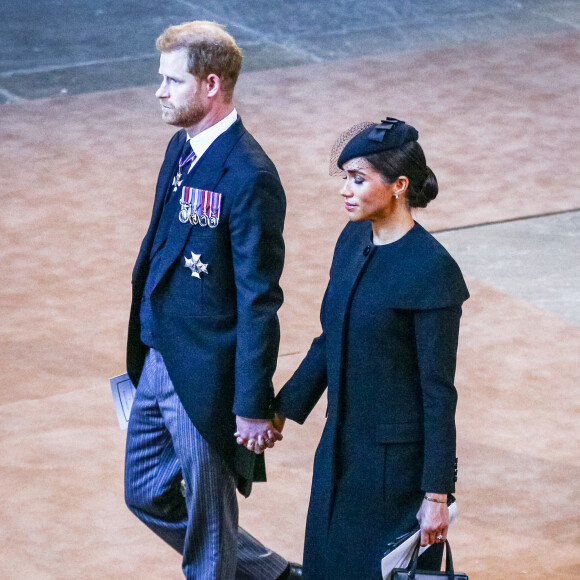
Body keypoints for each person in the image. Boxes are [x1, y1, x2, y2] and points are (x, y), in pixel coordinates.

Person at [124, 20, 301, 579]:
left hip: (205, 376)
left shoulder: (249, 175)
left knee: (208, 531)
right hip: (158, 358)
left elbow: (259, 299)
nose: (159, 91)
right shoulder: (183, 147)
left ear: (211, 85)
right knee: (145, 493)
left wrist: (251, 401)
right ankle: (273, 574)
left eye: (171, 81)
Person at [266, 118, 469, 579]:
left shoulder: (432, 270)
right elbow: (330, 338)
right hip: (338, 450)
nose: (346, 190)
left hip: (393, 473)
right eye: (345, 179)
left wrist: (437, 495)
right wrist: (280, 410)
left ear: (399, 185)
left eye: (358, 180)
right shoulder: (353, 239)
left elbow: (438, 392)